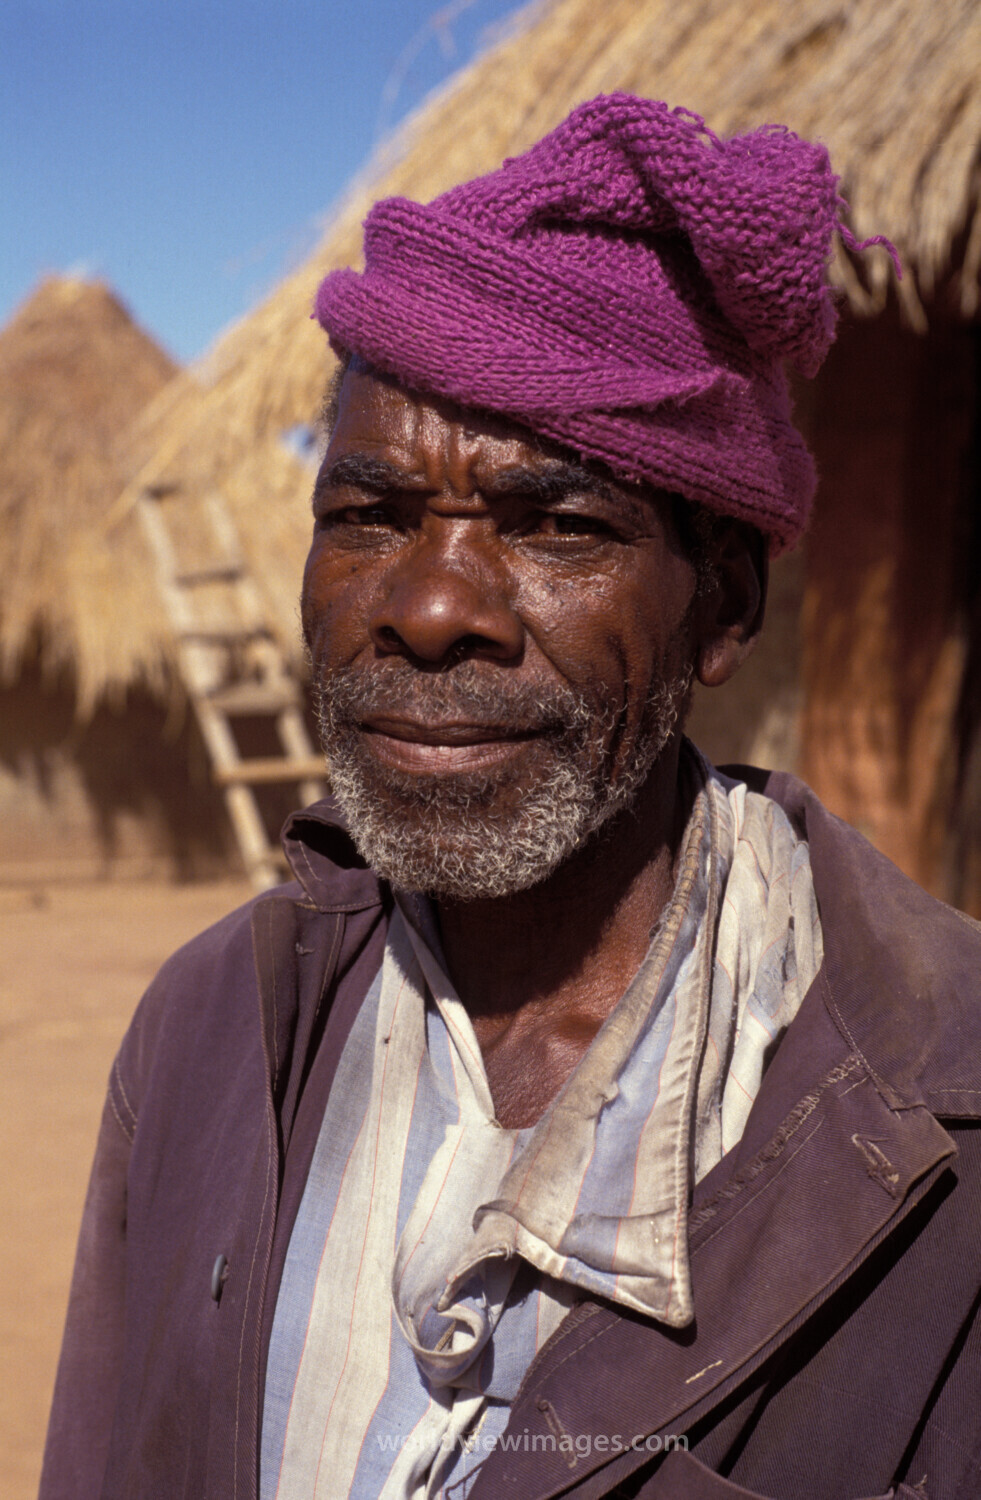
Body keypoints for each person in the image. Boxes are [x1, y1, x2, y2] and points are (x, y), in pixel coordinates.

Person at [41, 94, 981, 1500]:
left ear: (723, 607)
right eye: (368, 516)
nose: (429, 610)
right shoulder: (211, 1032)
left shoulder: (943, 1127)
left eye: (556, 525)